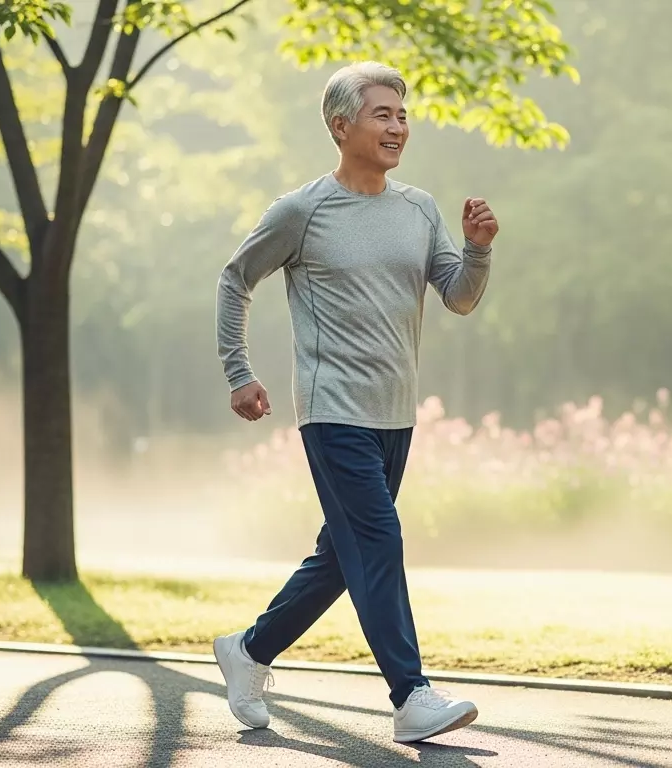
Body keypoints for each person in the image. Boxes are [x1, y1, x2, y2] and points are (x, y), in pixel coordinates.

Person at [211, 60, 496, 744]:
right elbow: (234, 279)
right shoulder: (302, 211)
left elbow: (456, 297)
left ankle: (249, 651)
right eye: (382, 114)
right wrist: (239, 372)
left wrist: (478, 251)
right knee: (377, 539)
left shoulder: (419, 208)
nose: (397, 126)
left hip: (395, 411)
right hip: (331, 408)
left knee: (343, 555)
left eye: (401, 114)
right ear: (342, 127)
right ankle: (411, 695)